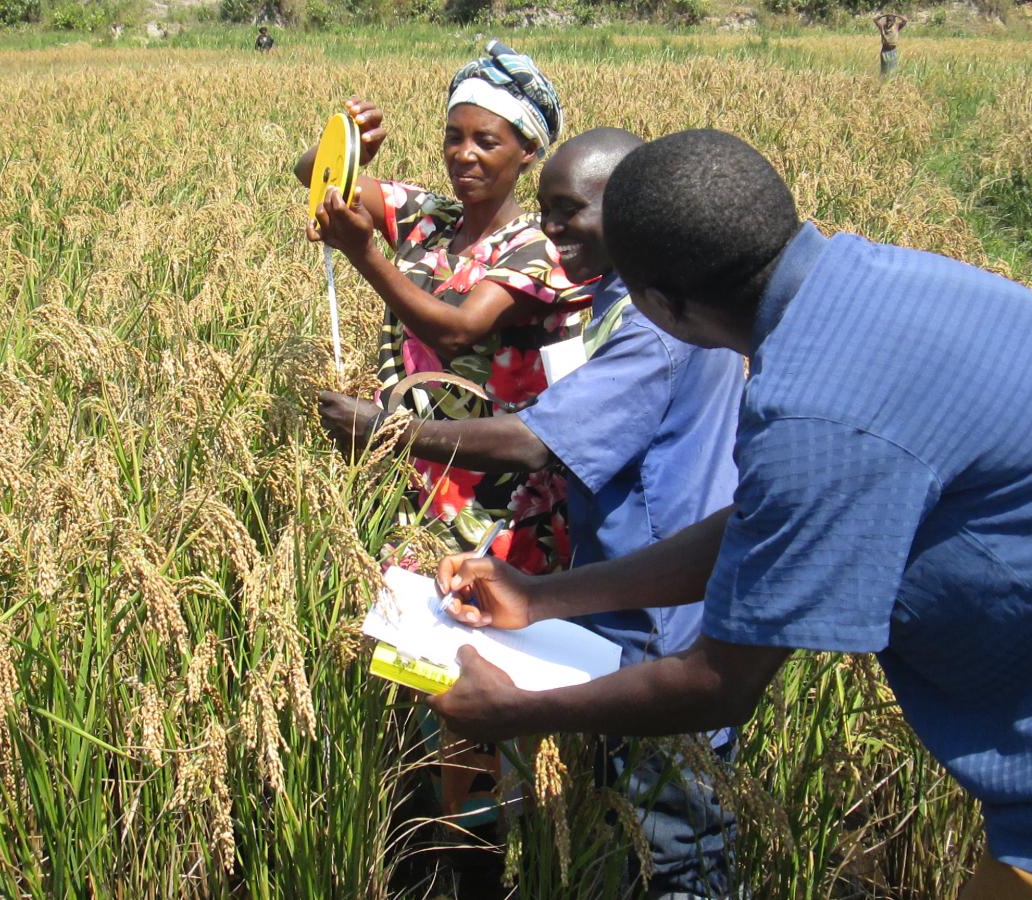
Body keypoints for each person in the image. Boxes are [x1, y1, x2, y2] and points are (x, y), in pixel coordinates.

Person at [427, 128, 1032, 898]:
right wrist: (543, 596)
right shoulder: (877, 280)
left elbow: (720, 679)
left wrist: (520, 708)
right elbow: (764, 520)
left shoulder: (810, 418)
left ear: (658, 305)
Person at [320, 126, 746, 896]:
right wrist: (341, 147)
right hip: (625, 605)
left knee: (673, 850)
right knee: (624, 836)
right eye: (546, 210)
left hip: (658, 630)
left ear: (634, 212)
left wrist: (382, 432)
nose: (548, 229)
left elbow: (531, 444)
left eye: (566, 210)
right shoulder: (634, 300)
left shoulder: (653, 329)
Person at [297, 39, 587, 574]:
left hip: (495, 497)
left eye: (486, 141)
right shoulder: (430, 218)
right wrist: (346, 147)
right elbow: (311, 176)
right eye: (454, 137)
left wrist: (363, 253)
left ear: (527, 152)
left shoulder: (536, 249)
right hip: (411, 476)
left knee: (473, 642)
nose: (464, 154)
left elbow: (457, 332)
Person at [873, 12, 906, 77]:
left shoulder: (897, 26)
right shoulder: (882, 27)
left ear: (894, 21)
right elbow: (874, 19)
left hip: (893, 51)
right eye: (887, 20)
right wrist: (883, 15)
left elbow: (905, 20)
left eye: (890, 20)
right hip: (885, 51)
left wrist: (896, 15)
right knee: (884, 70)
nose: (888, 22)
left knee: (893, 71)